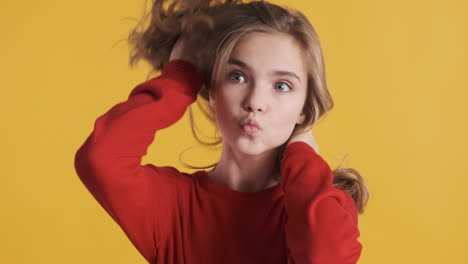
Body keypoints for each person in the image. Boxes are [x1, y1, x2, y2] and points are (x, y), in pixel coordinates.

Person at [74, 0, 369, 263]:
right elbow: (100, 159)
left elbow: (324, 258)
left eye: (281, 85)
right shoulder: (174, 207)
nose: (255, 102)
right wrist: (179, 76)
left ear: (304, 108)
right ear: (212, 90)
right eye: (237, 76)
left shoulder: (322, 206)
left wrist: (301, 155)